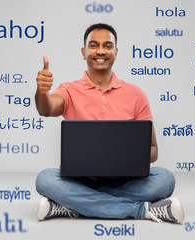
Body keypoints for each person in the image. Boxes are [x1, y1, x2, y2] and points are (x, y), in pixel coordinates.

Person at [35, 23, 185, 223]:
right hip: (81, 179)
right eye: (94, 45)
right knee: (45, 179)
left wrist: (127, 158)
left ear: (115, 52)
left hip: (125, 180)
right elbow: (46, 109)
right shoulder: (69, 90)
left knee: (165, 179)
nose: (100, 51)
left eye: (107, 46)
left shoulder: (135, 94)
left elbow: (153, 150)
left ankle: (72, 204)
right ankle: (141, 211)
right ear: (84, 52)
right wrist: (42, 91)